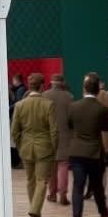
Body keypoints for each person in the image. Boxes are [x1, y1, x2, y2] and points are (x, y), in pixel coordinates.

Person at [9, 72, 58, 217]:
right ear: (42, 86)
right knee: (42, 181)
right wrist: (54, 148)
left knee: (30, 181)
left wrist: (20, 145)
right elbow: (54, 131)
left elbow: (14, 131)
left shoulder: (19, 105)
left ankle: (35, 214)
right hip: (45, 149)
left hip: (26, 148)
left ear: (29, 87)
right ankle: (35, 211)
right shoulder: (48, 104)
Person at [65, 73, 108, 217]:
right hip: (94, 153)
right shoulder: (101, 109)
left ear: (84, 89)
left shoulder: (73, 106)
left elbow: (69, 125)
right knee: (97, 185)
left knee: (78, 186)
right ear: (98, 90)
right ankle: (103, 213)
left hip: (76, 152)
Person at [45, 72, 73, 205]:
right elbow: (72, 118)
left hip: (48, 136)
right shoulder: (69, 97)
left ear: (51, 83)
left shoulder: (44, 96)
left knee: (52, 166)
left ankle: (52, 194)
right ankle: (63, 194)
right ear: (62, 83)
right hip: (65, 135)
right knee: (63, 165)